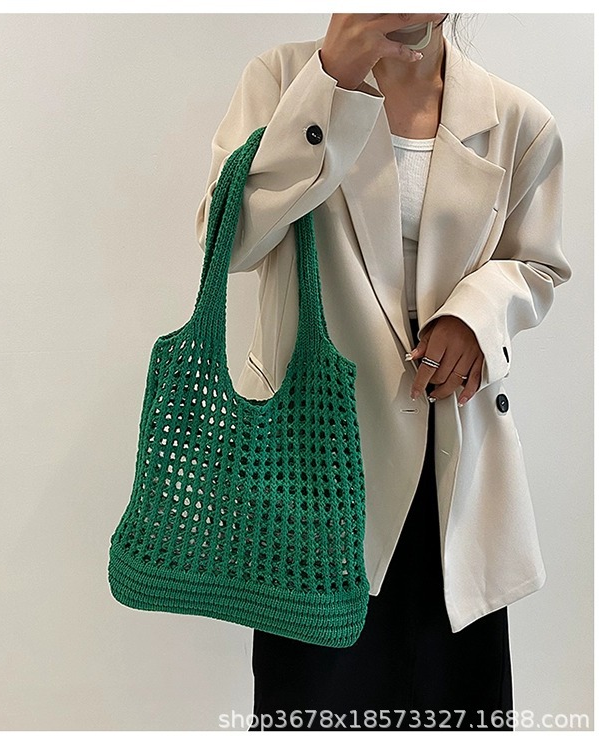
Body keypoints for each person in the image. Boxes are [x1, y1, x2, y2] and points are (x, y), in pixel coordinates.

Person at [195, 13, 572, 731]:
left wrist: (478, 314)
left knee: (454, 713)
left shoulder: (517, 120)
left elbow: (537, 265)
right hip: (310, 472)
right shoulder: (282, 79)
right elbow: (229, 241)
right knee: (310, 712)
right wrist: (329, 84)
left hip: (451, 470)